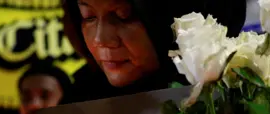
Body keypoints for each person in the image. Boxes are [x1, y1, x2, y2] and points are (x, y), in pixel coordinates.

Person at [60, 0, 247, 104]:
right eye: (89, 17)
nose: (100, 40)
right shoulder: (76, 106)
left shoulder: (238, 96)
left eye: (122, 16)